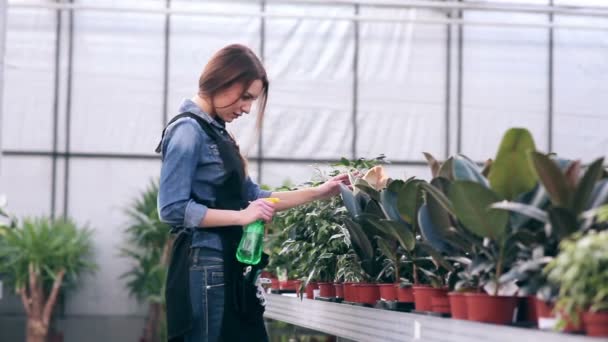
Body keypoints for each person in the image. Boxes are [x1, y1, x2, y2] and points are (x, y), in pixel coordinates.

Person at [156, 44, 350, 342]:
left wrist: (321, 192)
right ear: (223, 80)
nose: (247, 108)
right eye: (245, 96)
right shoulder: (188, 131)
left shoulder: (216, 132)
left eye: (252, 100)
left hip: (228, 265)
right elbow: (171, 208)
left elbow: (255, 197)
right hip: (207, 264)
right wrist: (241, 216)